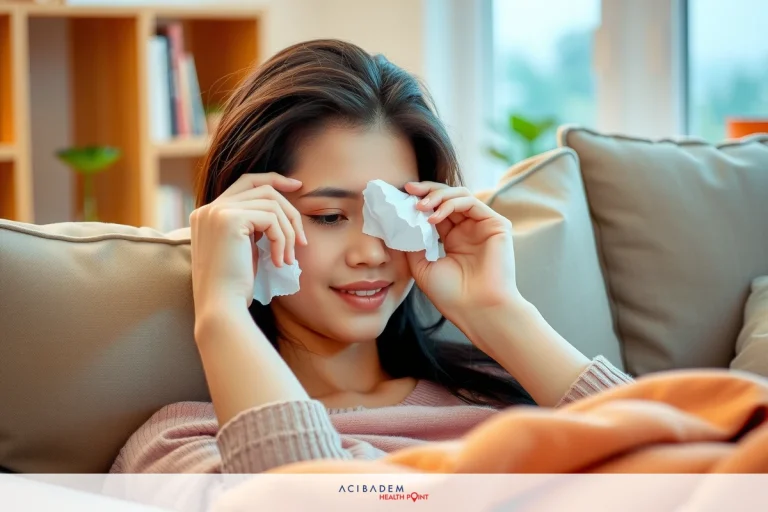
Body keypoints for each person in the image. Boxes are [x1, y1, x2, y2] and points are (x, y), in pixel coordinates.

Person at [110, 39, 633, 475]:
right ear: (248, 226)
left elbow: (672, 467)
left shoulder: (507, 397)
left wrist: (499, 313)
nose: (372, 254)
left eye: (395, 214)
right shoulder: (183, 445)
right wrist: (222, 313)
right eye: (328, 217)